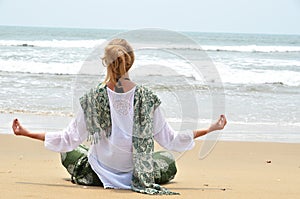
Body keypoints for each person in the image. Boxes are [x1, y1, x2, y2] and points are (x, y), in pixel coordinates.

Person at [12, 38, 227, 195]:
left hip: (99, 173)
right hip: (136, 175)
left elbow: (68, 139)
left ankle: (96, 170)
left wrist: (26, 133)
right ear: (131, 62)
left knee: (68, 152)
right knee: (168, 160)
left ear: (105, 62)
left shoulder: (92, 99)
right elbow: (171, 140)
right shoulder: (148, 98)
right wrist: (211, 128)